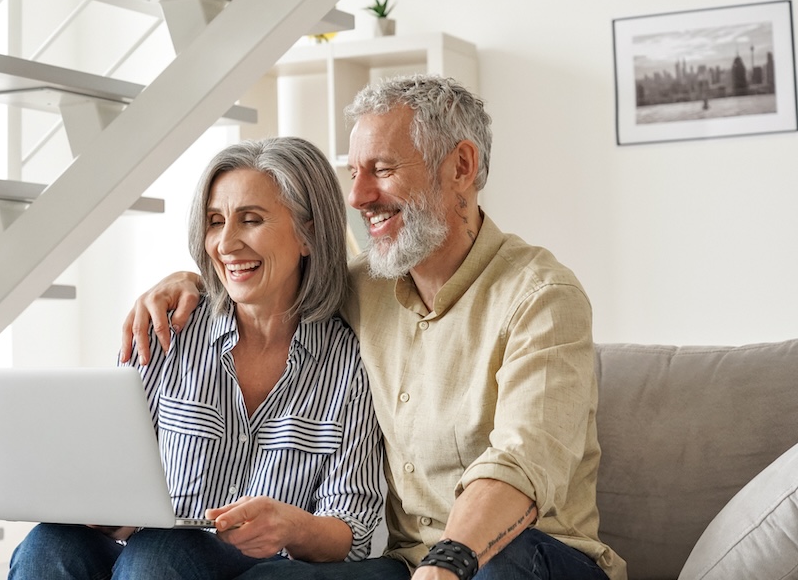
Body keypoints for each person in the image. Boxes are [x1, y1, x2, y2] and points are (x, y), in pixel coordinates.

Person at [119, 74, 628, 580]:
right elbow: (272, 279)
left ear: (461, 167)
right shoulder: (364, 287)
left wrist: (447, 564)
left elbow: (521, 465)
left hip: (532, 557)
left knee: (503, 567)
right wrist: (188, 281)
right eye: (354, 172)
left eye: (382, 170)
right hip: (408, 564)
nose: (358, 196)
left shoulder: (542, 298)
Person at [9, 137, 387, 580]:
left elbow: (352, 529)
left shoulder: (348, 362)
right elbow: (118, 492)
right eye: (214, 222)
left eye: (251, 220)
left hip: (249, 568)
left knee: (160, 553)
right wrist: (100, 508)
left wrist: (292, 526)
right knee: (47, 544)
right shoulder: (167, 330)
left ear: (308, 234)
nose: (226, 243)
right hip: (146, 558)